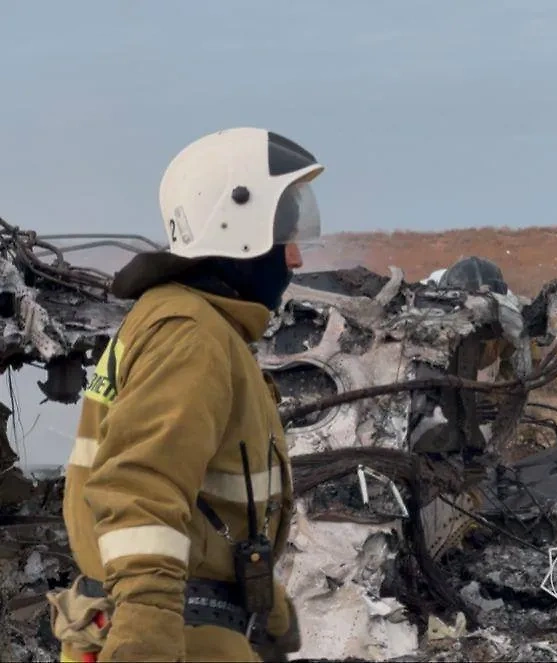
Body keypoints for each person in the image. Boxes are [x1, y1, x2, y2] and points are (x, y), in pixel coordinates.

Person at [50, 127, 322, 662]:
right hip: (176, 637)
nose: (296, 260)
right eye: (284, 236)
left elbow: (211, 505)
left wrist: (265, 604)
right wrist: (145, 634)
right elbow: (142, 484)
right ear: (238, 227)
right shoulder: (190, 333)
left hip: (197, 628)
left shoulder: (196, 326)